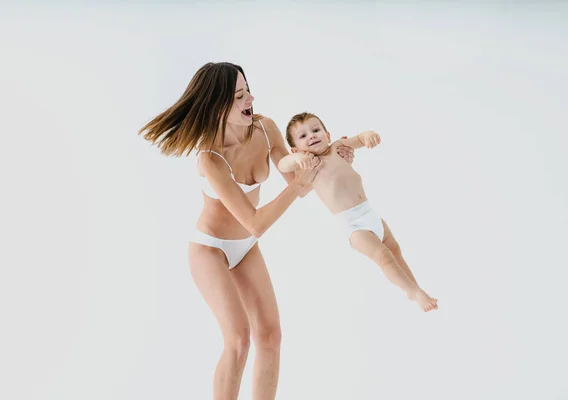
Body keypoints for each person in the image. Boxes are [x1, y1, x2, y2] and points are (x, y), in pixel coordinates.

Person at [138, 63, 355, 399]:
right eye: (239, 95)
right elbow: (254, 221)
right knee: (237, 340)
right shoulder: (210, 157)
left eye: (248, 89)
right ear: (218, 104)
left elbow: (300, 179)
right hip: (210, 249)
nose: (250, 98)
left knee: (270, 336)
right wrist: (298, 186)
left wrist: (332, 160)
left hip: (245, 249)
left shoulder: (265, 128)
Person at [278, 112, 438, 312]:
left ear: (327, 135)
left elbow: (359, 139)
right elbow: (282, 164)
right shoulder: (310, 164)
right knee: (384, 256)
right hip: (353, 225)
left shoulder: (337, 147)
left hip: (370, 213)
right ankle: (413, 292)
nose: (311, 136)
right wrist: (298, 158)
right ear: (295, 149)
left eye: (316, 130)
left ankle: (414, 288)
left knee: (395, 251)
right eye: (303, 136)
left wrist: (368, 134)